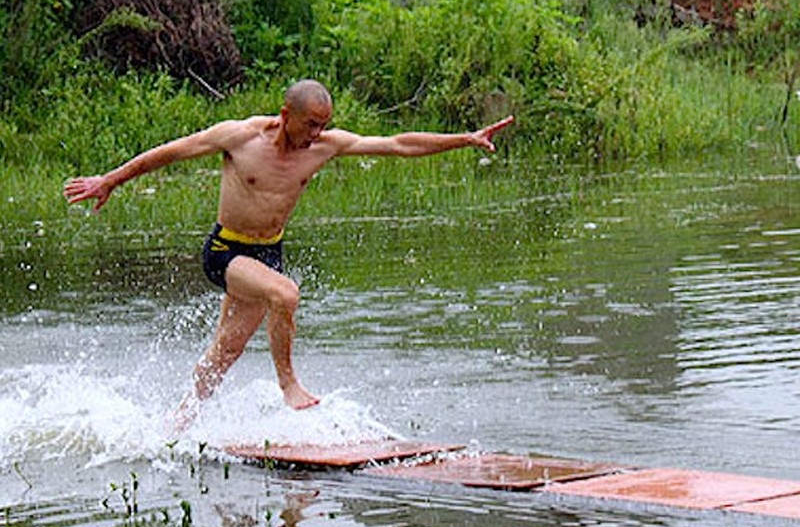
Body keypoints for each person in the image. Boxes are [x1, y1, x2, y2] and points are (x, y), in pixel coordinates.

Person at [64, 79, 514, 428]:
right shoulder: (239, 138)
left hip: (268, 254)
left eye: (324, 124)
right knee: (286, 295)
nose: (317, 134)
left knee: (227, 351)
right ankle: (288, 384)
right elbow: (168, 154)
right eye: (311, 124)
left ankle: (178, 422)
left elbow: (397, 144)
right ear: (286, 115)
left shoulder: (324, 147)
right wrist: (110, 180)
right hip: (226, 252)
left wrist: (465, 138)